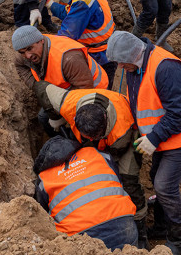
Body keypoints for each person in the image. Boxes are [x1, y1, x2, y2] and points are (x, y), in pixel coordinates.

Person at [106, 31, 181, 255]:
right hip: (164, 138)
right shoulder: (136, 66)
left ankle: (177, 239)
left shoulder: (165, 68)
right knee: (155, 178)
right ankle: (161, 225)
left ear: (133, 55)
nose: (120, 68)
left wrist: (153, 138)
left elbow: (180, 114)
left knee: (165, 187)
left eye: (122, 63)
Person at [33, 82, 149, 249]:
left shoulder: (123, 129)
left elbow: (43, 213)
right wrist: (54, 117)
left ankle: (141, 228)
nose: (92, 142)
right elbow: (42, 88)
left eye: (95, 137)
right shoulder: (68, 102)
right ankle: (135, 238)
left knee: (128, 180)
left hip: (129, 141)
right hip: (124, 230)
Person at [34, 135, 137, 250]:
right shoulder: (98, 154)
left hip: (83, 240)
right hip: (125, 227)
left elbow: (42, 217)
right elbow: (116, 180)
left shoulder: (44, 179)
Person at [11, 25, 108, 136]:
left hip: (94, 92)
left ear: (41, 40)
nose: (27, 55)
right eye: (22, 52)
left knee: (81, 130)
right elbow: (20, 65)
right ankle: (61, 140)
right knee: (43, 118)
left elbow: (85, 90)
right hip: (65, 90)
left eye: (30, 49)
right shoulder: (27, 54)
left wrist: (63, 113)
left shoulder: (68, 58)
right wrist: (39, 86)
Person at [45, 0, 117, 89]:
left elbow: (67, 34)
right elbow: (70, 14)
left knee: (101, 90)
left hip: (101, 55)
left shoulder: (82, 1)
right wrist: (51, 4)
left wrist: (47, 48)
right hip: (107, 49)